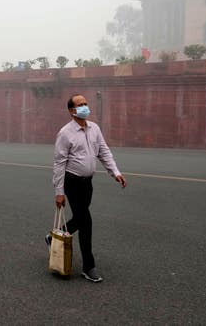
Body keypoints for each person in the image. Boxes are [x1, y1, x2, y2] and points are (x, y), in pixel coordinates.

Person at [48, 94, 127, 283]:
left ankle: (53, 237)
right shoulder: (65, 133)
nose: (85, 107)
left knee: (80, 218)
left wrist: (115, 172)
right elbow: (59, 163)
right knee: (86, 222)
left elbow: (103, 151)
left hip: (87, 183)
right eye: (80, 105)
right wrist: (59, 192)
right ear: (71, 111)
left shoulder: (94, 129)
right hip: (72, 182)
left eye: (85, 103)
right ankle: (88, 266)